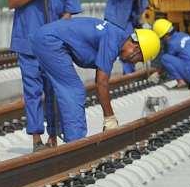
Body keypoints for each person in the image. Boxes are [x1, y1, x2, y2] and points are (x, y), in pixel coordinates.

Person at [8, 0, 81, 149]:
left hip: (52, 47)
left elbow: (69, 13)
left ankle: (53, 135)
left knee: (54, 90)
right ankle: (36, 138)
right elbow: (12, 2)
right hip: (27, 43)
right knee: (33, 91)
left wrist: (61, 30)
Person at [30, 17, 160, 141]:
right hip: (50, 41)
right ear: (136, 48)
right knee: (74, 90)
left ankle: (56, 137)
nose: (134, 63)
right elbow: (101, 82)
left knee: (60, 89)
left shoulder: (115, 36)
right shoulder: (113, 40)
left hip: (47, 38)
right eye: (139, 59)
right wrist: (109, 118)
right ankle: (76, 145)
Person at [153, 18, 190, 87]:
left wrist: (157, 73)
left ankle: (181, 82)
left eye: (162, 38)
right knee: (184, 58)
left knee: (165, 58)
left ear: (166, 36)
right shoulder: (183, 35)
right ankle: (187, 81)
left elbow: (167, 63)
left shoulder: (172, 43)